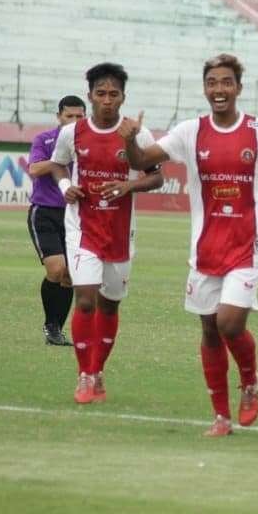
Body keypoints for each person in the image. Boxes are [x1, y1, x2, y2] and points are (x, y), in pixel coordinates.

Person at [118, 54, 258, 437]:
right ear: (205, 88)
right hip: (205, 248)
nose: (219, 90)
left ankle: (250, 382)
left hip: (247, 246)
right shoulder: (190, 131)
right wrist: (132, 140)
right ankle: (221, 417)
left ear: (238, 88)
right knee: (210, 330)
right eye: (212, 83)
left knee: (229, 323)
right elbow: (143, 160)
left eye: (226, 82)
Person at [44, 63, 162, 404]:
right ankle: (84, 375)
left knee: (109, 307)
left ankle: (97, 371)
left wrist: (128, 185)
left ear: (123, 97)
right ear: (90, 96)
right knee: (84, 298)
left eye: (114, 94)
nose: (107, 100)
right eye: (101, 94)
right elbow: (57, 164)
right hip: (82, 227)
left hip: (121, 231)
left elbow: (156, 177)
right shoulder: (73, 133)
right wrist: (66, 184)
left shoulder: (137, 133)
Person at [26, 95, 86, 346]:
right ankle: (50, 325)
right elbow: (34, 169)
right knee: (56, 269)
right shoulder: (45, 140)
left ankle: (56, 330)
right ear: (59, 116)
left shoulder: (90, 143)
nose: (74, 120)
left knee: (70, 276)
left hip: (76, 216)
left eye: (79, 116)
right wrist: (60, 157)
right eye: (69, 116)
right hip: (45, 212)